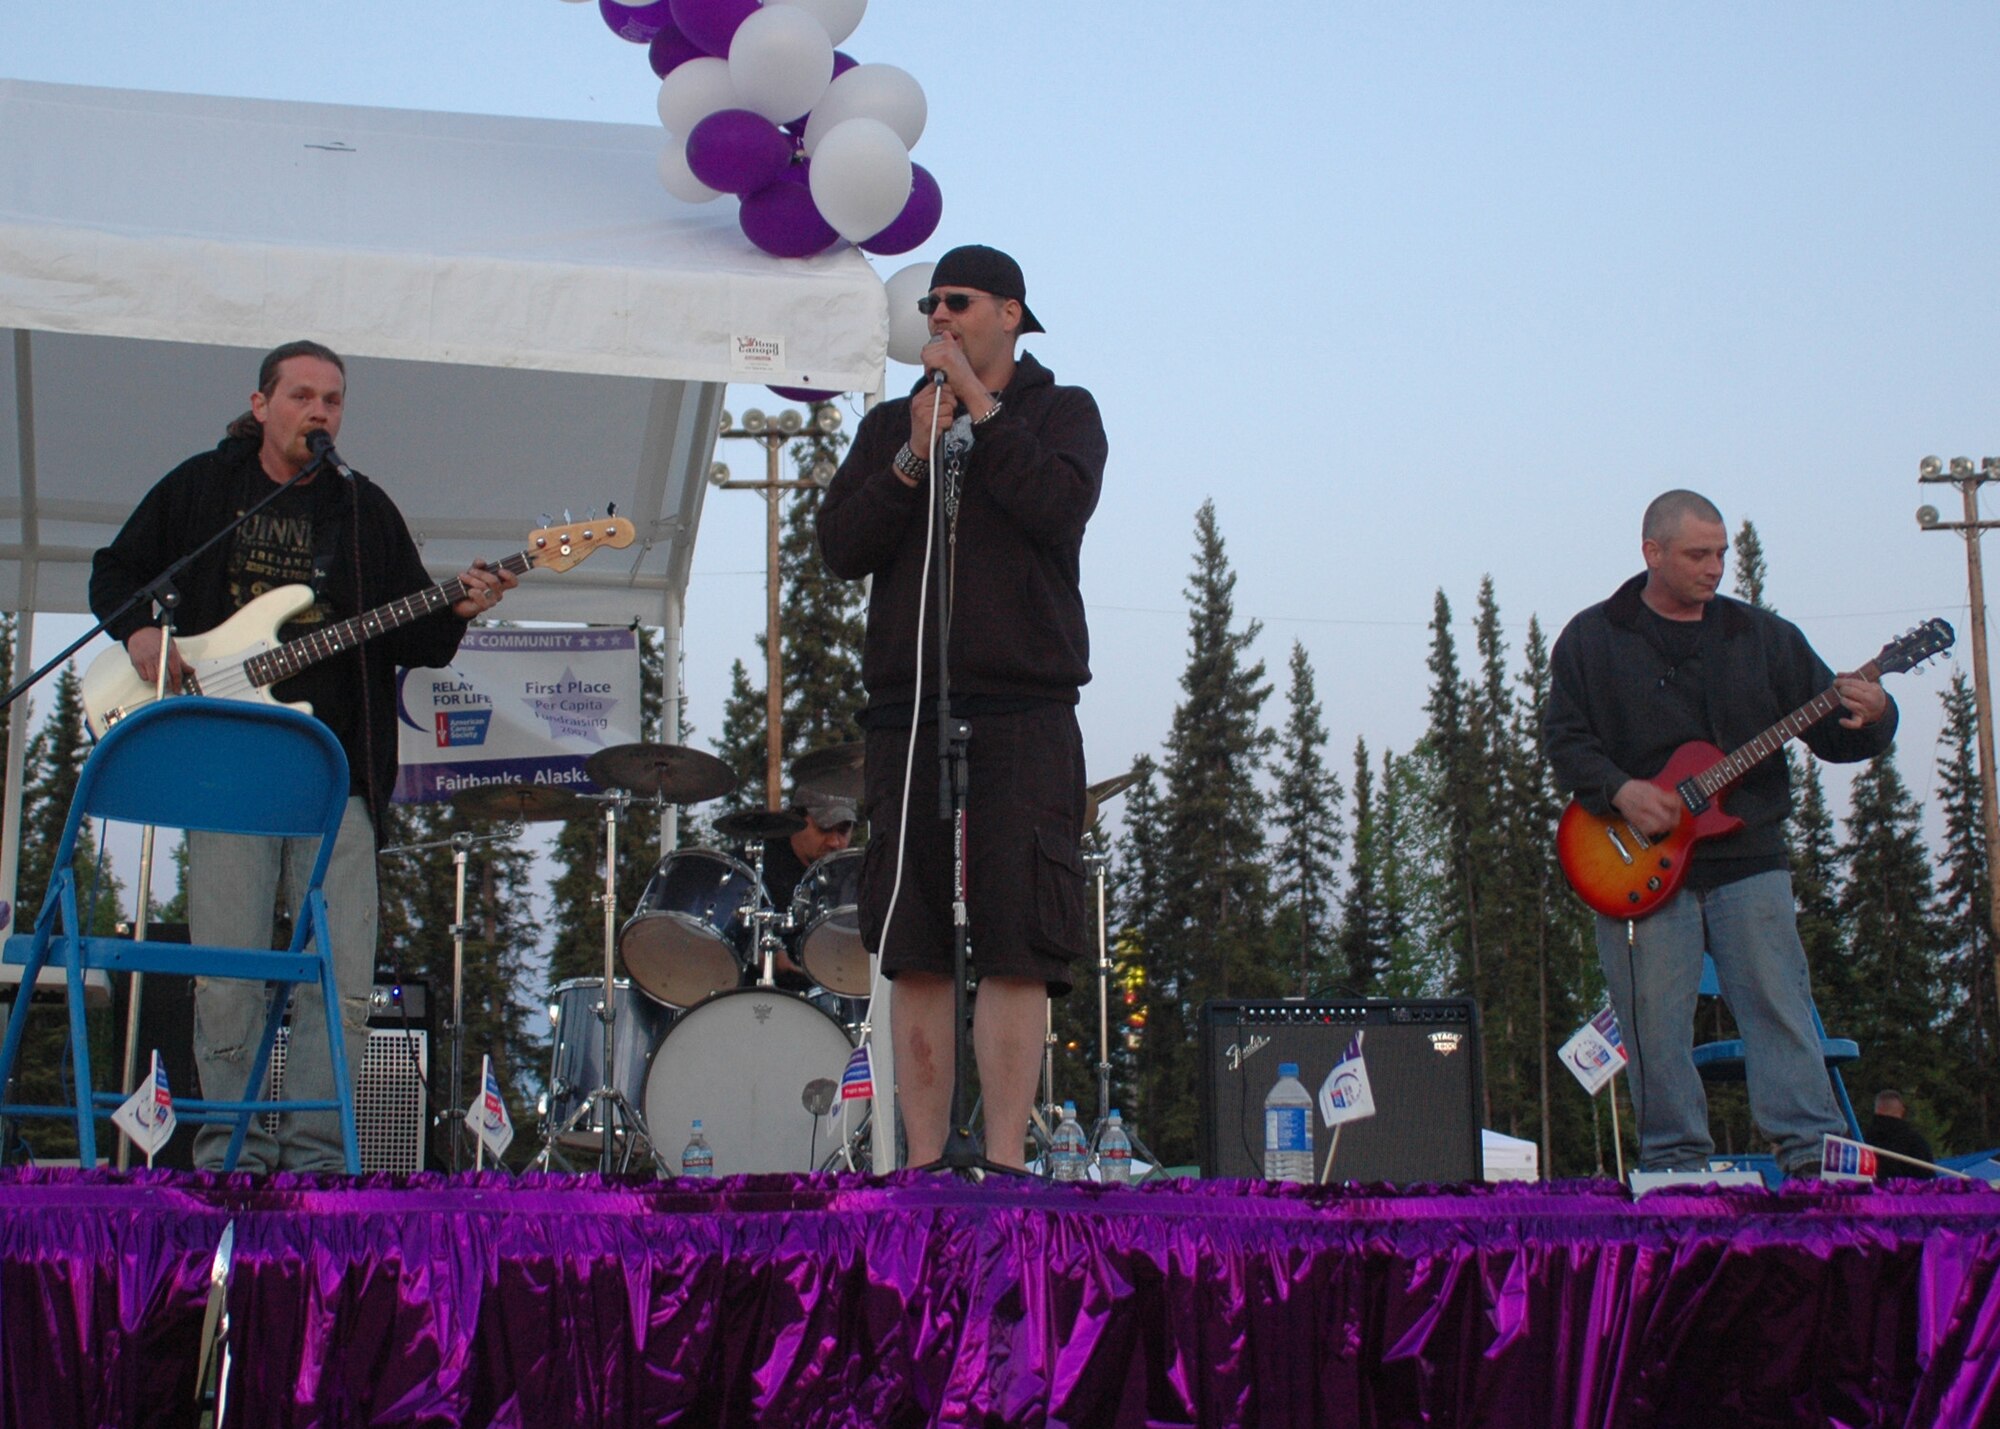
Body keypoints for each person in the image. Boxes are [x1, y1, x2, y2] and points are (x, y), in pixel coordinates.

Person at [90, 340, 516, 1172]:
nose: (319, 412)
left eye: (334, 400)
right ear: (261, 405)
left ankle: (320, 1156)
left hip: (335, 775)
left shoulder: (361, 510)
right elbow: (116, 570)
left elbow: (417, 636)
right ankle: (232, 1152)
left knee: (340, 977)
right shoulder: (203, 490)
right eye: (303, 396)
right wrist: (142, 631)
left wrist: (461, 604)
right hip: (226, 765)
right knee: (229, 974)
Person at [817, 245, 1107, 1170]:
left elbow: (1058, 506)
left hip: (1024, 708)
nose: (936, 316)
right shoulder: (892, 425)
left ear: (1010, 315)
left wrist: (979, 413)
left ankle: (1011, 1159)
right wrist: (912, 450)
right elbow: (841, 546)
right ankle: (924, 1161)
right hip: (909, 712)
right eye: (931, 302)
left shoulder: (1062, 412)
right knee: (916, 942)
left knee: (1019, 937)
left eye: (959, 301)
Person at [1544, 489, 1895, 1179]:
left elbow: (1834, 734)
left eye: (1723, 552)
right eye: (1698, 554)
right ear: (1652, 553)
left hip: (1749, 861)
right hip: (1637, 868)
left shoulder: (1765, 638)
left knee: (1780, 1008)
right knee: (1653, 1026)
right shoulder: (1591, 637)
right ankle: (1674, 1165)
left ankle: (1810, 1154)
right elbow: (1564, 741)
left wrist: (1875, 714)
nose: (1715, 567)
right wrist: (1620, 790)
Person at [1865, 1089, 1936, 1182]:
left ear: (1877, 1109)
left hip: (1871, 1194)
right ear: (1902, 1110)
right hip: (1906, 1194)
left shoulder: (1862, 1141)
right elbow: (1928, 1180)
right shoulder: (1915, 1143)